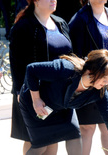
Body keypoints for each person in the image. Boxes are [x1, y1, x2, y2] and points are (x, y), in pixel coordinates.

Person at [19, 49, 108, 155]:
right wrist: (36, 99)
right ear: (91, 72)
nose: (106, 83)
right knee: (41, 147)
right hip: (36, 104)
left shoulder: (99, 91)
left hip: (61, 108)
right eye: (104, 78)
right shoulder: (66, 69)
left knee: (75, 136)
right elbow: (32, 69)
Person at [68, 0, 108, 154]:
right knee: (87, 128)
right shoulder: (79, 19)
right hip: (90, 80)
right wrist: (87, 80)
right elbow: (75, 55)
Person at [9, 0, 72, 154]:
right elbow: (15, 62)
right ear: (35, 1)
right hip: (32, 93)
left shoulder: (60, 23)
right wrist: (20, 91)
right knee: (35, 141)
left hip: (56, 93)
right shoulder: (23, 26)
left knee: (53, 138)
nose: (53, 0)